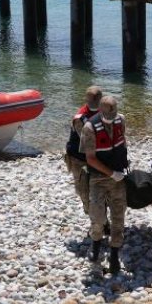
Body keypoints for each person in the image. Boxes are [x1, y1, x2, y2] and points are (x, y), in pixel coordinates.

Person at [80, 96, 128, 275]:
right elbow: (90, 158)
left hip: (118, 179)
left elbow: (123, 141)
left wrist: (123, 166)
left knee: (118, 217)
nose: (112, 117)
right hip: (98, 179)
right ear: (100, 110)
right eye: (108, 114)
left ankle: (115, 253)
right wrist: (111, 173)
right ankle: (96, 244)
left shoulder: (121, 120)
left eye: (114, 113)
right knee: (98, 216)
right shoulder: (89, 128)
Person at [65, 86, 103, 215]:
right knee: (84, 190)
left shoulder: (104, 112)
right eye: (92, 99)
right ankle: (91, 214)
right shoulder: (80, 118)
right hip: (79, 158)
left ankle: (100, 215)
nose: (94, 102)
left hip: (97, 155)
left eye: (96, 99)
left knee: (101, 188)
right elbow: (87, 143)